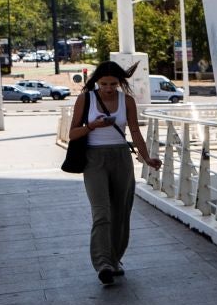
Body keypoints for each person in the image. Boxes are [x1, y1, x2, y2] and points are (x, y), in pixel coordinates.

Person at [67, 61, 161, 285]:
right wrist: (92, 126)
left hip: (121, 158)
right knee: (102, 212)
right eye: (103, 83)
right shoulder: (86, 99)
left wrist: (147, 157)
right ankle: (103, 264)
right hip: (93, 158)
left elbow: (135, 131)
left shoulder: (126, 100)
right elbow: (72, 133)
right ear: (96, 81)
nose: (108, 88)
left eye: (113, 84)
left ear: (120, 82)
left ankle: (115, 259)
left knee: (121, 212)